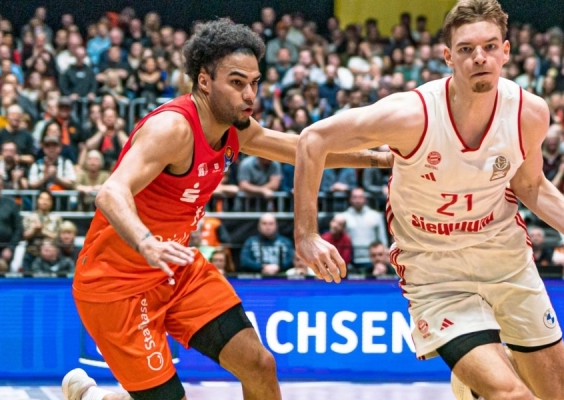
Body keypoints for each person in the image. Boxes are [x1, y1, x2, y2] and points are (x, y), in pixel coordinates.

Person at [293, 1, 564, 399]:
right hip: (435, 270)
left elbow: (532, 185)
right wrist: (306, 234)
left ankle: (472, 384)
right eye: (466, 49)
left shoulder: (529, 113)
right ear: (448, 56)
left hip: (504, 258)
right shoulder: (411, 115)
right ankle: (480, 379)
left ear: (506, 51)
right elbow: (313, 139)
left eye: (489, 46)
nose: (479, 57)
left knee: (555, 394)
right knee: (512, 395)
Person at [61, 19, 390, 400]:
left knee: (259, 364)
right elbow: (111, 191)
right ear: (204, 81)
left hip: (176, 269)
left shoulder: (236, 129)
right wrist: (146, 242)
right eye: (236, 83)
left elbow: (304, 149)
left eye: (254, 83)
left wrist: (379, 160)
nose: (249, 94)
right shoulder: (172, 129)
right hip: (116, 284)